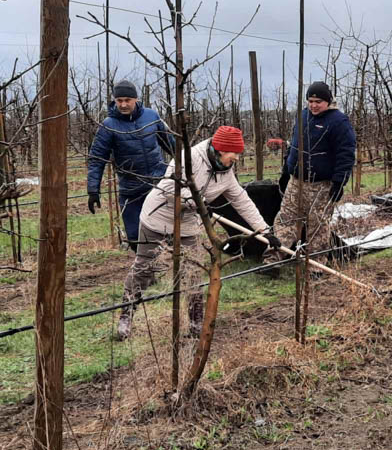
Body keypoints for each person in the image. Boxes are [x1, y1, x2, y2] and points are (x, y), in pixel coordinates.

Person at [116, 126, 279, 340]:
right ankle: (126, 315)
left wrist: (264, 230)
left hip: (188, 225)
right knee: (145, 268)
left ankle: (195, 324)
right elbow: (169, 191)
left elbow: (241, 200)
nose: (237, 158)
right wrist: (198, 202)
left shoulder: (225, 171)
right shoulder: (189, 158)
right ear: (220, 149)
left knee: (193, 273)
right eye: (234, 153)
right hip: (158, 219)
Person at [87, 80, 175, 250]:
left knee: (166, 230)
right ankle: (146, 272)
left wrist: (187, 168)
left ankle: (170, 268)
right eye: (119, 100)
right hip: (131, 188)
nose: (123, 104)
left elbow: (171, 144)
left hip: (158, 183)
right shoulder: (108, 126)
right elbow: (97, 158)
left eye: (127, 100)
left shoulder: (151, 116)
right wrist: (93, 190)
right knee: (135, 237)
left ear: (136, 99)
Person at [275, 81, 356, 261]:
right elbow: (294, 145)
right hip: (296, 181)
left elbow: (346, 154)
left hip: (321, 184)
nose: (313, 105)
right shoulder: (303, 116)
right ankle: (274, 257)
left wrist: (339, 182)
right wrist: (286, 170)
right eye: (310, 101)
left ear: (328, 101)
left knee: (317, 225)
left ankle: (316, 264)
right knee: (285, 218)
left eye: (318, 101)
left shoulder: (339, 122)